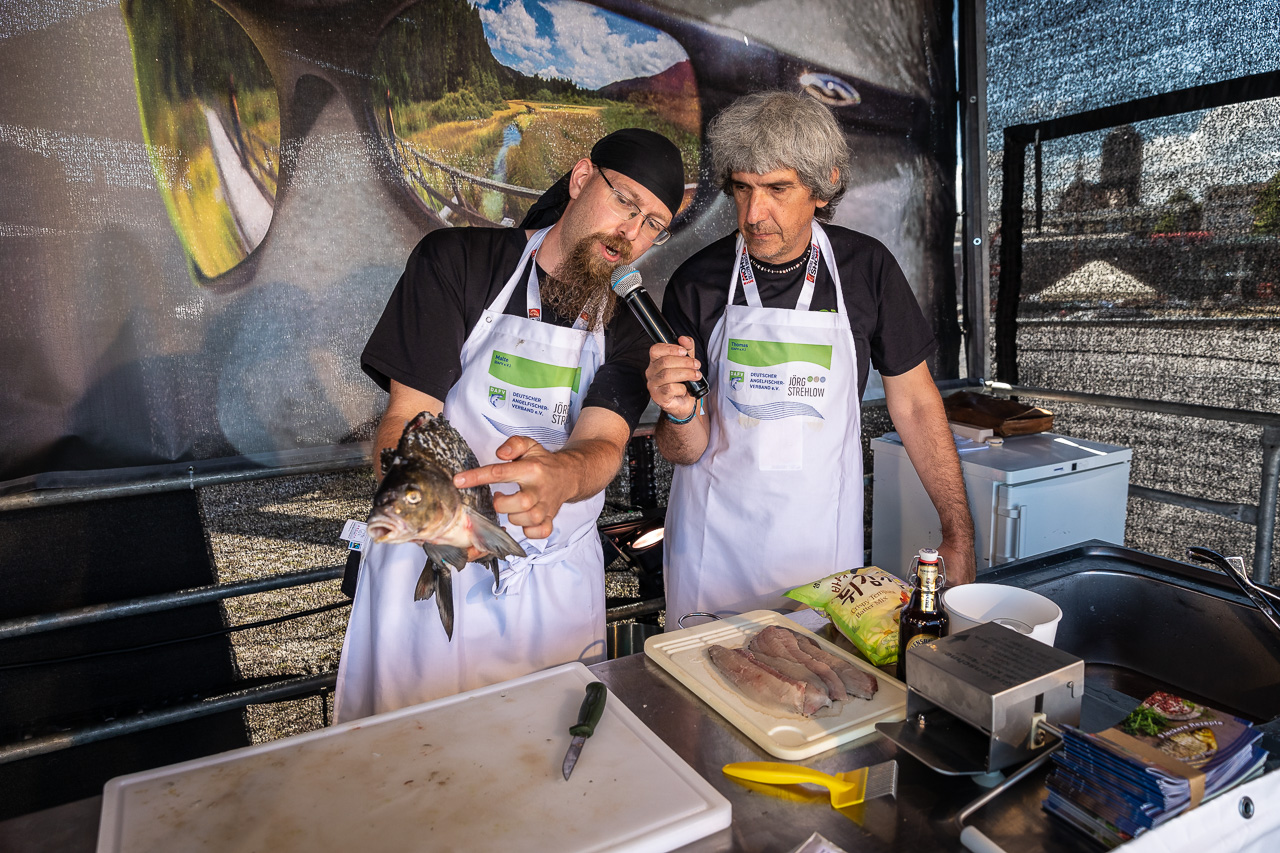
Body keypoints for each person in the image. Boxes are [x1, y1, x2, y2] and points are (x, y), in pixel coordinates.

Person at [335, 128, 685, 721]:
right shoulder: (458, 263)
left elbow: (602, 443)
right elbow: (405, 417)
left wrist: (561, 477)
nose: (632, 233)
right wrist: (435, 517)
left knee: (547, 766)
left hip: (554, 587)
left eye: (652, 223)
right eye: (625, 203)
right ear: (580, 179)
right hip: (433, 565)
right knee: (412, 767)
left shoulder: (631, 323)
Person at [646, 91, 975, 627]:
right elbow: (685, 448)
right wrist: (677, 411)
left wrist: (957, 532)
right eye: (743, 189)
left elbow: (914, 405)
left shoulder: (866, 269)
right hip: (714, 553)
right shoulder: (697, 282)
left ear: (823, 187)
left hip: (821, 555)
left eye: (778, 189)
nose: (755, 214)